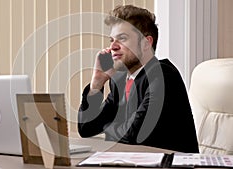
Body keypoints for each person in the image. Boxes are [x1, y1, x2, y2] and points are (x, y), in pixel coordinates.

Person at [77, 5, 199, 153]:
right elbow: (86, 128)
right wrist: (96, 84)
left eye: (122, 39)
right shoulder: (120, 80)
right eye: (111, 40)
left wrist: (107, 127)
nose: (113, 47)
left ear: (146, 43)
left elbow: (134, 134)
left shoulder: (163, 75)